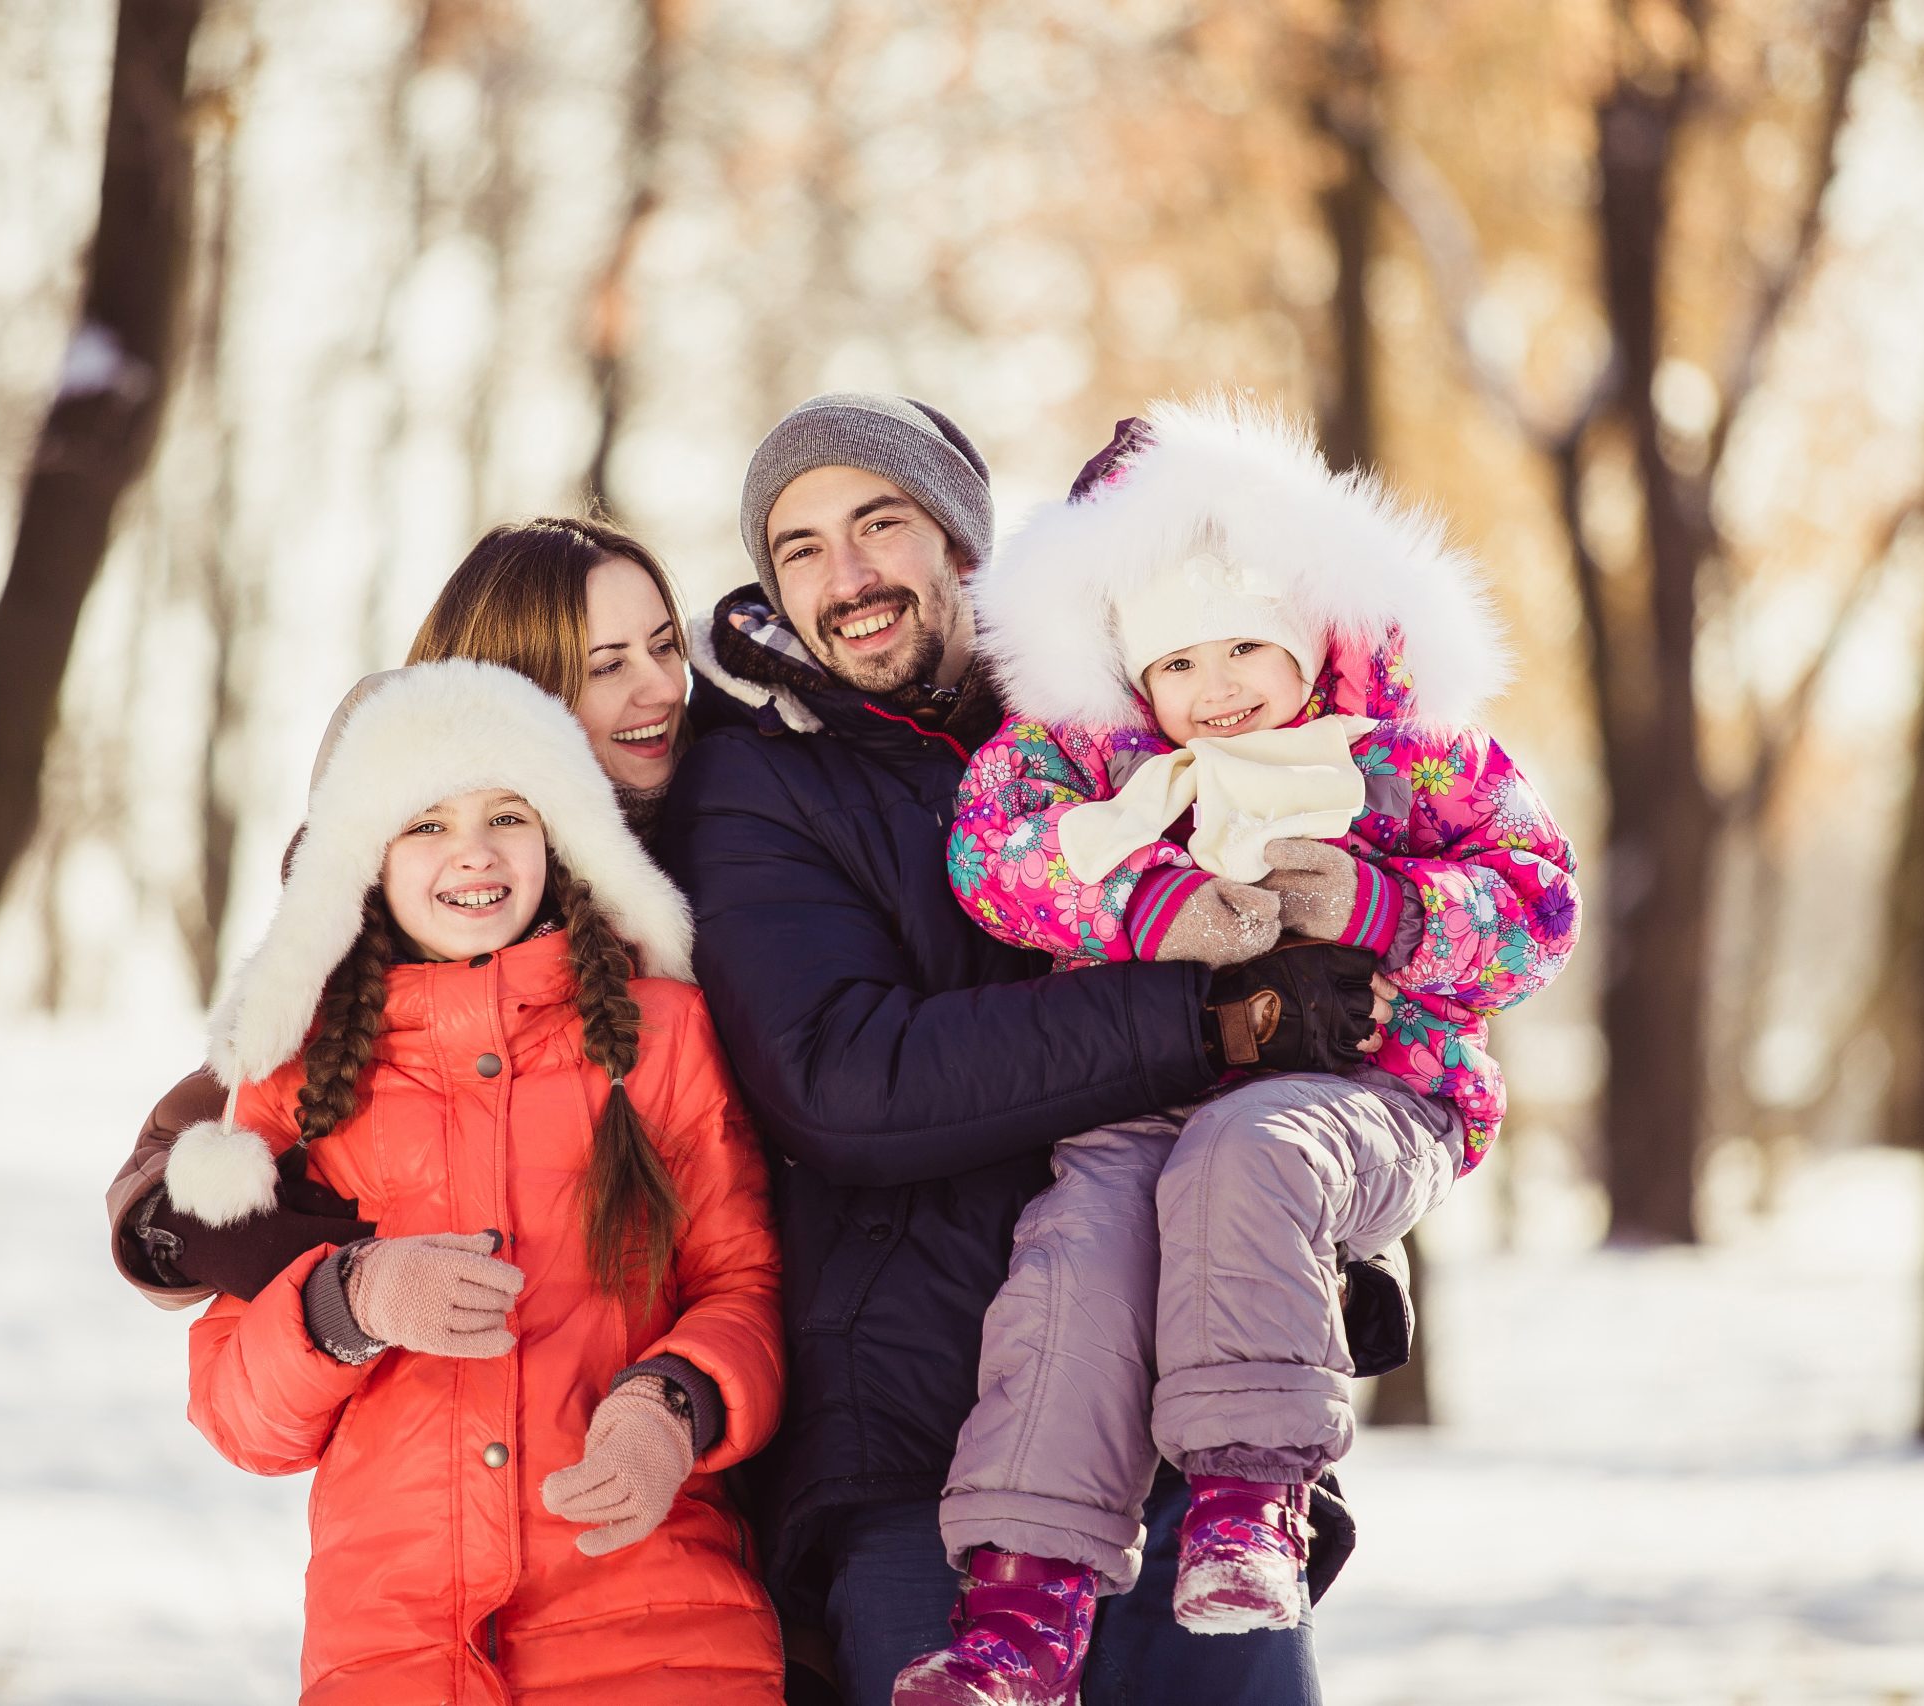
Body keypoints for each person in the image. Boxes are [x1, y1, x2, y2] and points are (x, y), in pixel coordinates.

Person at [660, 393, 1390, 1705]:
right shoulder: (766, 788)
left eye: (882, 523)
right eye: (802, 547)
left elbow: (1331, 969)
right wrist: (1207, 1020)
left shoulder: (1134, 718)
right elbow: (848, 1078)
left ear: (964, 543)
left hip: (1172, 1445)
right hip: (917, 1469)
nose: (850, 576)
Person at [889, 401, 1581, 1701]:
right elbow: (995, 848)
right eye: (1180, 665)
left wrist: (1381, 908)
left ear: (1310, 635)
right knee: (1075, 1248)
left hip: (1368, 1092)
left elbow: (1537, 902)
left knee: (1247, 1148)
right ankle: (1021, 1610)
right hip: (1148, 1090)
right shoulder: (1100, 770)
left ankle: (1253, 1498)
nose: (1218, 691)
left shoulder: (1404, 760)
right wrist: (1149, 907)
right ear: (1133, 677)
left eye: (1245, 650)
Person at [169, 657, 784, 1704]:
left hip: (658, 1632)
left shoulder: (659, 1033)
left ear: (559, 836)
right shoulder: (297, 1076)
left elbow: (748, 1288)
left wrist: (671, 1403)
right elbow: (240, 1414)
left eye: (509, 812)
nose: (475, 851)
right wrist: (348, 1295)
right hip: (396, 1652)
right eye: (426, 822)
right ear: (363, 858)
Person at [106, 516, 692, 1308]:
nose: (660, 687)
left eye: (666, 646)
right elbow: (209, 1141)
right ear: (513, 695)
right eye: (608, 665)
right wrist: (346, 1279)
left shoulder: (739, 808)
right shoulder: (415, 896)